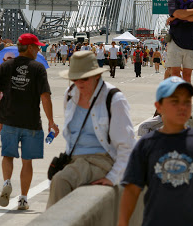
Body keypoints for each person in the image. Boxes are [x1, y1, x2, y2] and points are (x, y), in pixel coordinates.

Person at [113, 77, 193, 226]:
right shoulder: (146, 145)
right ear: (158, 107)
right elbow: (132, 190)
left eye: (187, 102)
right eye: (174, 101)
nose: (182, 107)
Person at [47, 51, 135, 207]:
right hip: (75, 161)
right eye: (74, 79)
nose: (79, 84)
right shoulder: (70, 95)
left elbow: (127, 145)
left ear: (96, 76)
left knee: (61, 181)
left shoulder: (113, 99)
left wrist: (113, 177)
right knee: (60, 181)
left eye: (84, 79)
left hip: (102, 160)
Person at [0, 33, 58, 210]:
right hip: (31, 122)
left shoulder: (5, 66)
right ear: (29, 48)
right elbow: (45, 96)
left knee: (8, 155)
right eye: (37, 47)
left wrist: (0, 115)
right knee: (27, 161)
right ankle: (23, 198)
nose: (39, 49)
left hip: (9, 121)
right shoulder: (38, 68)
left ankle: (6, 182)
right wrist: (51, 121)